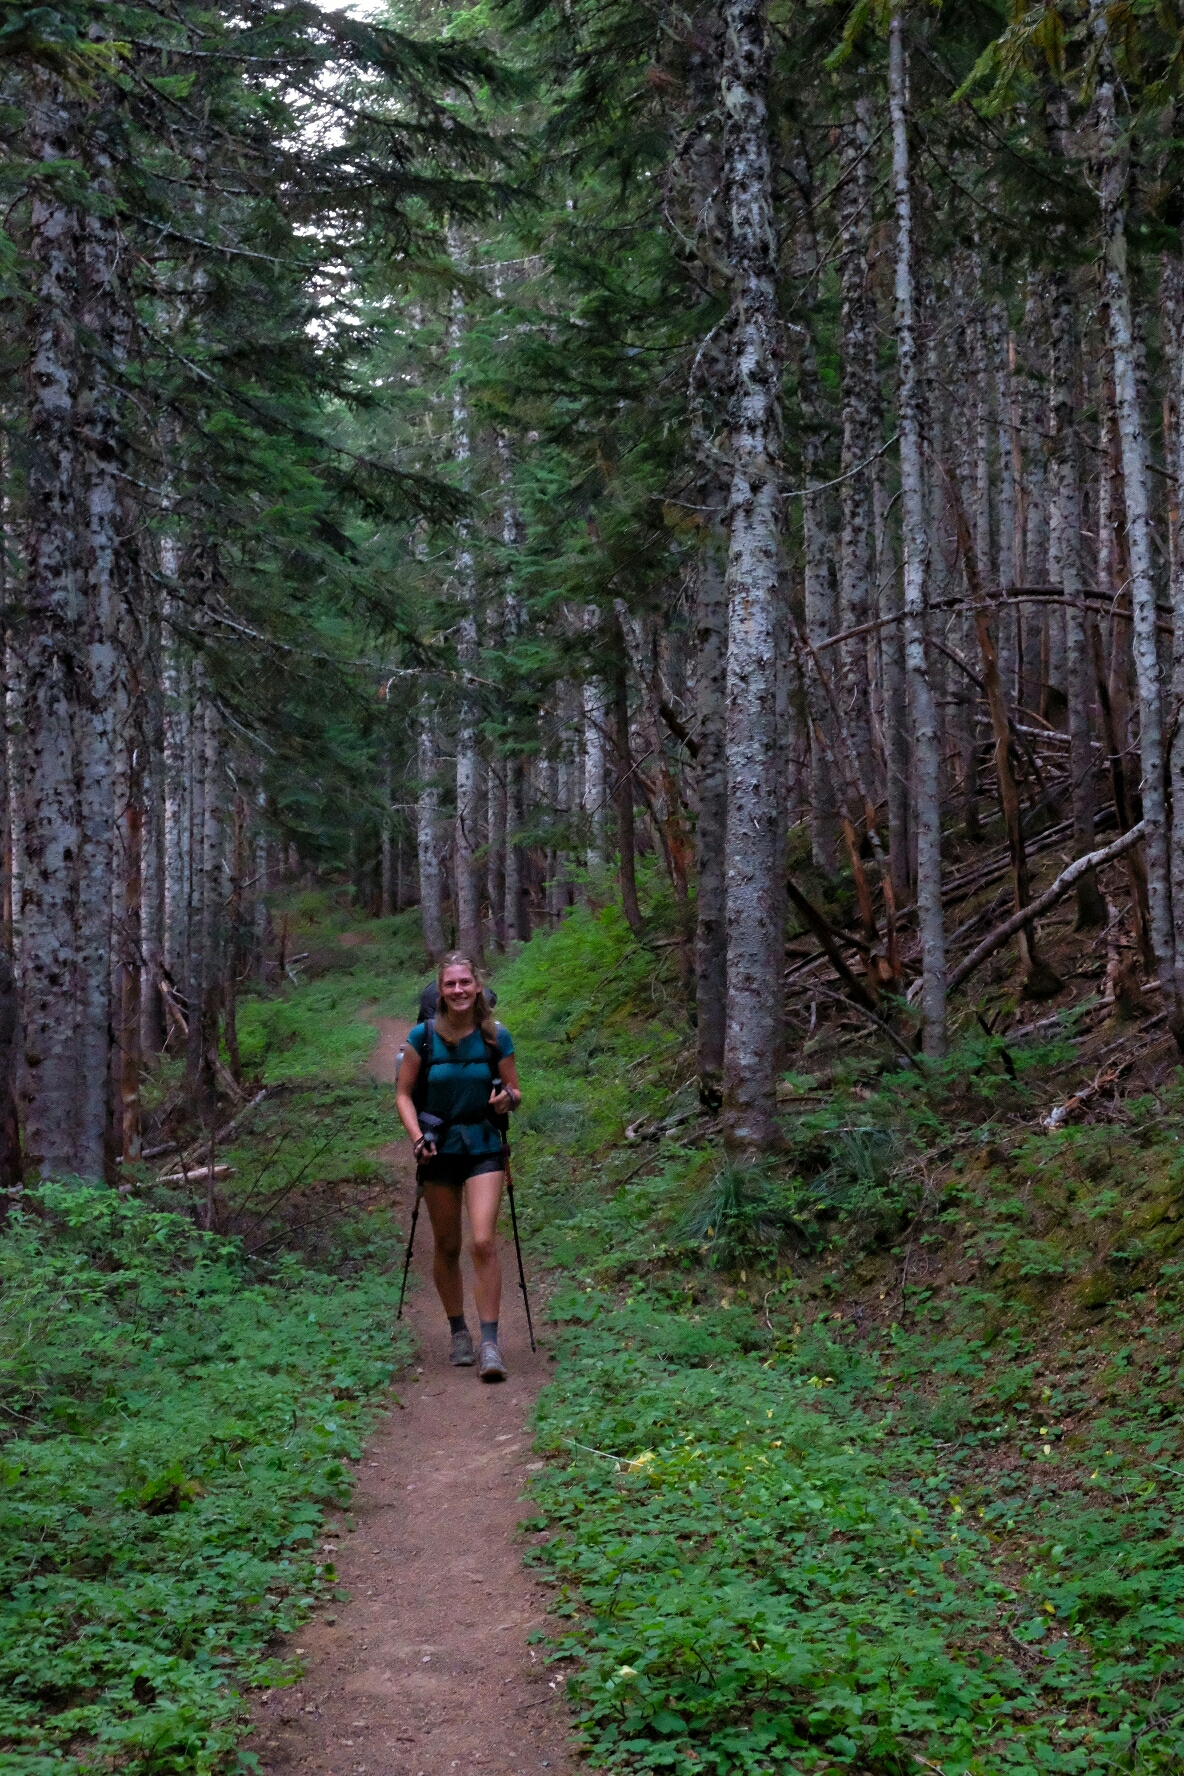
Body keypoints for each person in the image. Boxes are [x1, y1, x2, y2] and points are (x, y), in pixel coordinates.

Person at [395, 952, 521, 1381]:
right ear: (441, 991)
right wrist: (417, 1138)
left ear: (477, 986)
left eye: (465, 982)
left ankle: (490, 1344)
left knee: (483, 1241)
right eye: (450, 984)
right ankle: (458, 1331)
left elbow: (515, 1089)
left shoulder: (496, 1036)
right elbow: (403, 1094)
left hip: (483, 1144)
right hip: (438, 1149)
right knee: (447, 1245)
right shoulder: (422, 1037)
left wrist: (508, 1099)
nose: (459, 990)